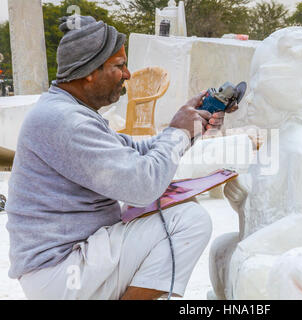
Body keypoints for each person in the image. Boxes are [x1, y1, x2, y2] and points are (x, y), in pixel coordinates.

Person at [6, 15, 236, 300]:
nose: (128, 74)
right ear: (89, 70)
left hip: (69, 264)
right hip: (62, 271)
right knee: (189, 220)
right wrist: (178, 131)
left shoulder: (67, 110)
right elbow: (142, 186)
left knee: (180, 207)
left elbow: (135, 150)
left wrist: (192, 125)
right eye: (119, 66)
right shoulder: (66, 120)